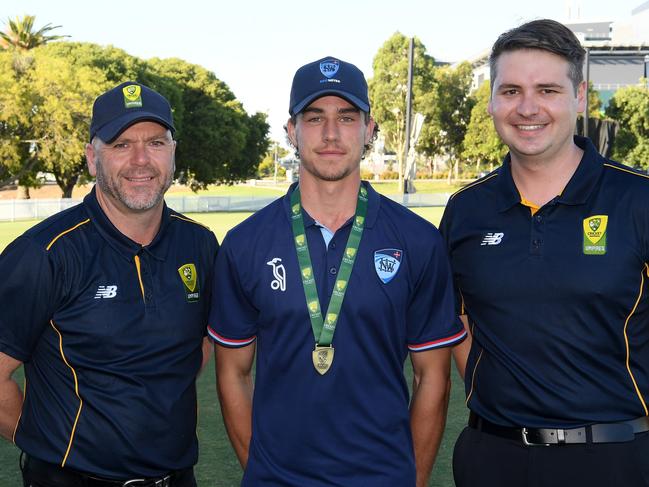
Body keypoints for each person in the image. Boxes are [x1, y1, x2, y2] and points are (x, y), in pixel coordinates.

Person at [208, 56, 466, 486]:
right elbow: (233, 373)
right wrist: (264, 471)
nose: (331, 133)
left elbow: (432, 377)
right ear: (292, 131)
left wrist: (412, 480)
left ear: (369, 130)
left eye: (347, 117)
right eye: (315, 118)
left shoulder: (418, 241)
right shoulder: (244, 244)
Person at [440, 19, 649, 487]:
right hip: (491, 456)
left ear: (579, 96)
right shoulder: (466, 210)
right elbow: (459, 321)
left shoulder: (638, 200)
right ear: (491, 99)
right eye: (511, 90)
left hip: (616, 458)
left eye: (547, 90)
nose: (527, 107)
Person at [0, 81, 218, 486]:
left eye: (155, 143)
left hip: (176, 477)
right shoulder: (43, 253)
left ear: (173, 153)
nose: (140, 160)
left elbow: (199, 346)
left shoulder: (200, 244)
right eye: (120, 145)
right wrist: (50, 446)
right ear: (92, 158)